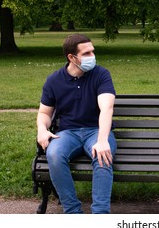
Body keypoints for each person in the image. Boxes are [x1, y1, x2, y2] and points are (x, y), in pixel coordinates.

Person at [36, 34, 117, 214]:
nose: (92, 56)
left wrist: (103, 140)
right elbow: (44, 112)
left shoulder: (101, 74)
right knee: (54, 154)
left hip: (96, 131)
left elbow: (107, 108)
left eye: (92, 51)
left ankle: (101, 215)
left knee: (103, 156)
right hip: (67, 133)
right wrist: (42, 129)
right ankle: (73, 213)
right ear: (72, 57)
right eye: (86, 53)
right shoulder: (54, 80)